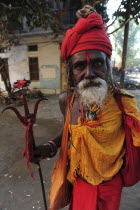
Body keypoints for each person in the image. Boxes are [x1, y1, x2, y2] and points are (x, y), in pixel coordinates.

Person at [32, 5, 140, 210]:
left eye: (97, 64)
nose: (89, 73)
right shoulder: (67, 100)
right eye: (80, 66)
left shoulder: (123, 102)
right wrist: (50, 147)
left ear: (107, 66)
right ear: (71, 71)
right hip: (79, 182)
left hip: (111, 185)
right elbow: (69, 132)